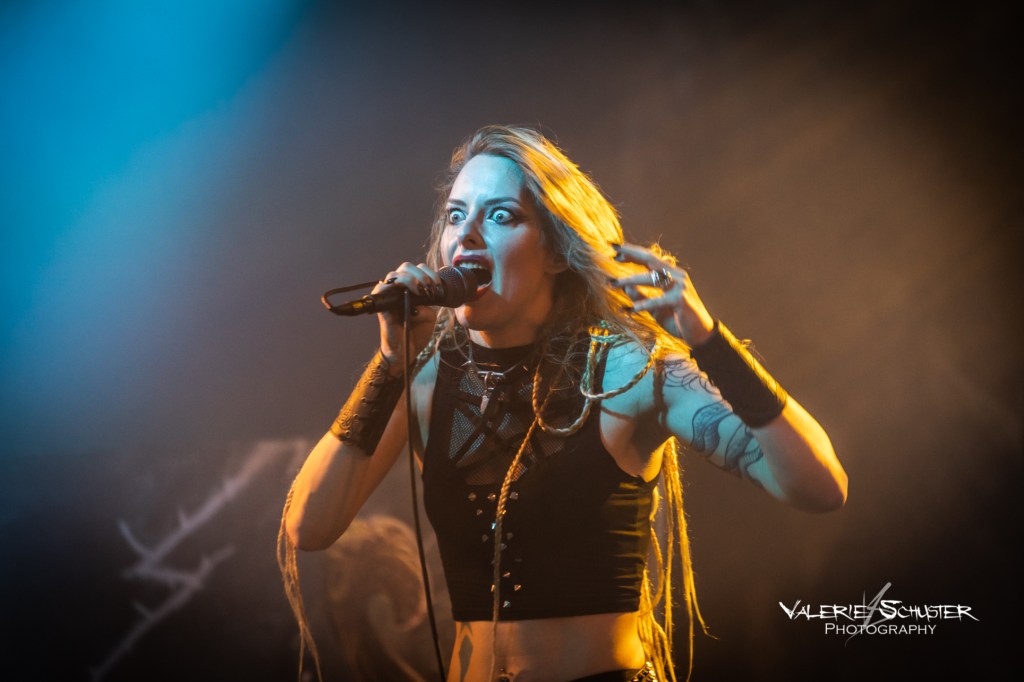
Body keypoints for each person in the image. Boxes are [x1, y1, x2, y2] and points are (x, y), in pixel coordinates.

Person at [280, 125, 848, 682]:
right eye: (455, 215)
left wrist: (710, 343)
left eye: (500, 216)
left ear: (555, 250)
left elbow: (820, 487)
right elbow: (309, 527)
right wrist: (390, 365)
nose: (466, 235)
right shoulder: (424, 377)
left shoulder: (628, 372)